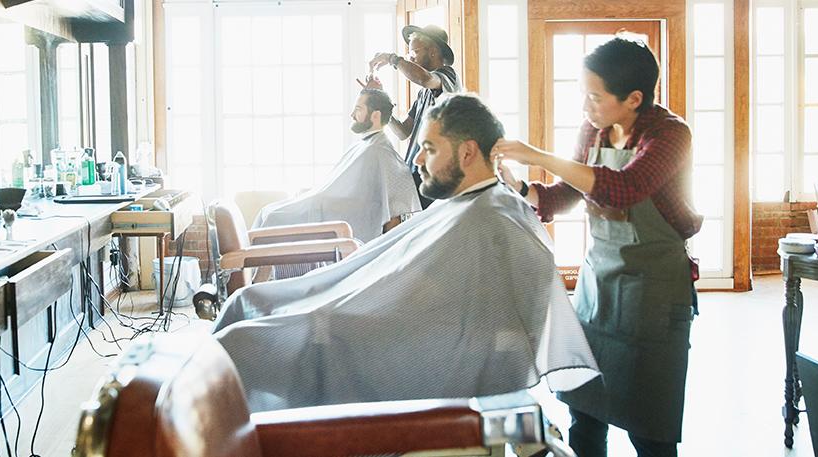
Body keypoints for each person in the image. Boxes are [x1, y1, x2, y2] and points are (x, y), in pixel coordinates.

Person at [213, 94, 598, 413]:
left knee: (244, 343)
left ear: (468, 152)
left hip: (423, 350)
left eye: (429, 149)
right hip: (401, 324)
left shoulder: (494, 220)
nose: (416, 160)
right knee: (247, 300)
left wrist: (333, 316)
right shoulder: (468, 204)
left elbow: (451, 318)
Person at [492, 36, 702, 457]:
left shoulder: (670, 134)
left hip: (655, 296)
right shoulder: (594, 131)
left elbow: (625, 188)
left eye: (594, 96)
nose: (585, 108)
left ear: (634, 98)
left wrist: (539, 154)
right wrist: (519, 186)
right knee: (585, 412)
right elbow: (563, 196)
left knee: (650, 426)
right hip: (598, 292)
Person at [252, 89, 421, 243]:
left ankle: (258, 274)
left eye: (359, 109)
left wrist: (321, 199)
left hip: (335, 214)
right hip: (323, 204)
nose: (352, 114)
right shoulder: (365, 144)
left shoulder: (380, 151)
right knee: (267, 212)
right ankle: (255, 274)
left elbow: (392, 206)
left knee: (272, 217)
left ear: (375, 115)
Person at [365, 24, 460, 210]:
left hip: (436, 176)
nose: (411, 57)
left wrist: (392, 59)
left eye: (415, 51)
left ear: (433, 52)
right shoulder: (423, 93)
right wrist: (382, 102)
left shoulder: (448, 76)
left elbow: (424, 79)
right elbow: (403, 132)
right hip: (416, 174)